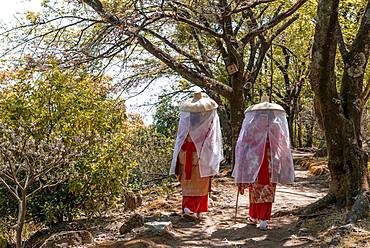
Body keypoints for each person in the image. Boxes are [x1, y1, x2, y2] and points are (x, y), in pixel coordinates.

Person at [232, 95, 294, 230]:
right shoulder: (276, 124)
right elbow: (282, 142)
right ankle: (263, 219)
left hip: (254, 160)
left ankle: (254, 216)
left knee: (255, 188)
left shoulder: (252, 124)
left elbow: (244, 142)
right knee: (268, 189)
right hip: (272, 159)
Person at [170, 92, 223, 220]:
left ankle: (196, 209)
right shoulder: (205, 125)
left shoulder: (204, 126)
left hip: (193, 155)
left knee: (198, 182)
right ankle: (194, 209)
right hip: (196, 155)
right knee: (195, 182)